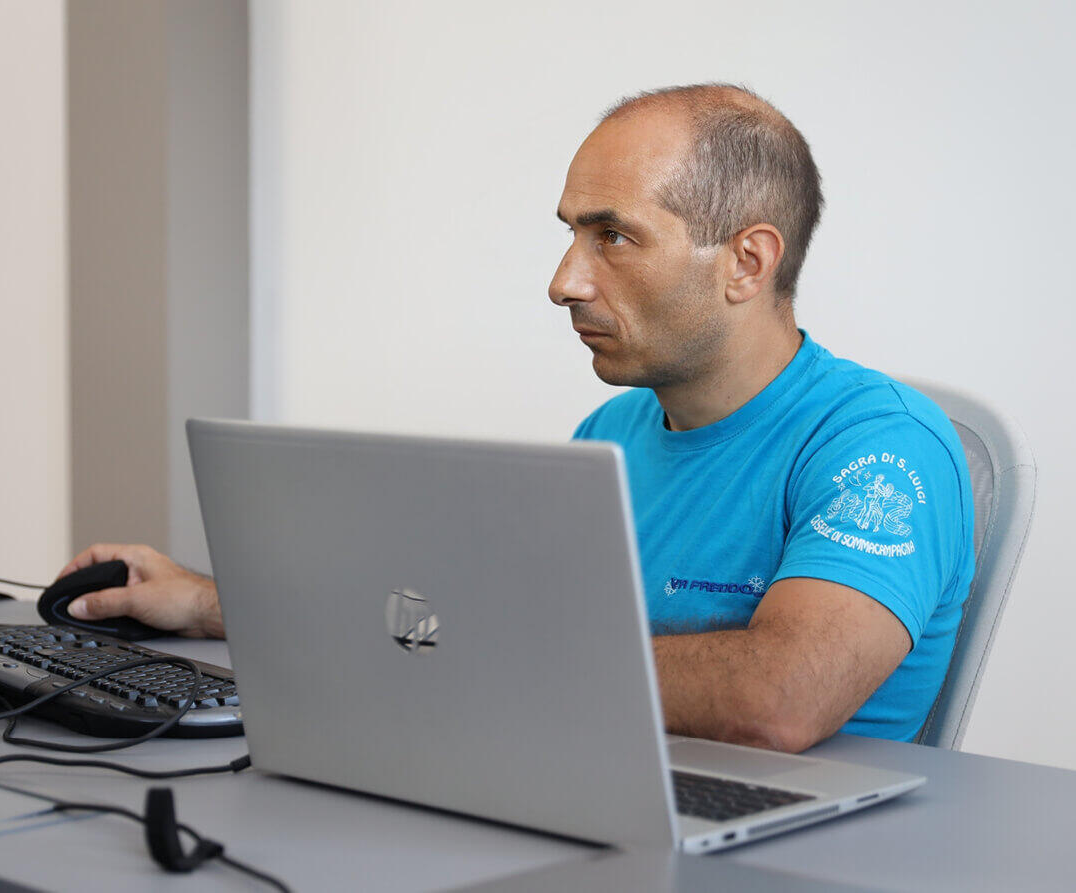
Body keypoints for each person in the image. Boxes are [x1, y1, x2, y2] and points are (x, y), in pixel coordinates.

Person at [58, 84, 974, 753]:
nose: (564, 281)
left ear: (746, 262)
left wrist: (473, 645)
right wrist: (207, 602)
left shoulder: (882, 447)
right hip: (611, 787)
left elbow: (775, 701)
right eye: (571, 234)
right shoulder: (611, 436)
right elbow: (456, 620)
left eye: (613, 236)